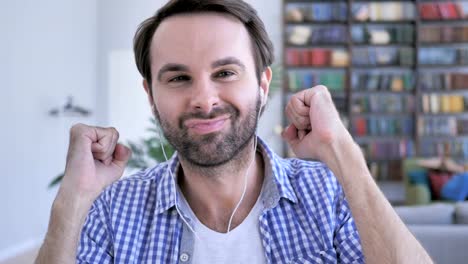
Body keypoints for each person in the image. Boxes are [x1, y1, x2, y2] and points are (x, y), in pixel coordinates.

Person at [35, 0, 432, 263]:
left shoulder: (330, 196)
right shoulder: (112, 210)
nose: (204, 100)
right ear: (151, 95)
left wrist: (342, 151)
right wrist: (72, 199)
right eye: (178, 78)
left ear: (262, 84)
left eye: (225, 73)